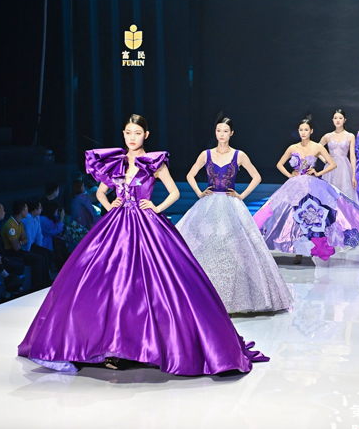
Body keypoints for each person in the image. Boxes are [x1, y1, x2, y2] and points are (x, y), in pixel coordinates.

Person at [18, 114, 268, 375]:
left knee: (146, 285)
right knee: (109, 284)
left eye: (137, 133)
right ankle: (107, 344)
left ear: (146, 135)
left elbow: (174, 192)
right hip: (116, 226)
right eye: (128, 132)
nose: (132, 137)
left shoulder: (153, 162)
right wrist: (109, 205)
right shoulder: (115, 163)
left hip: (146, 226)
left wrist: (156, 208)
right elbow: (101, 192)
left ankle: (139, 346)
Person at [176, 117, 293, 314]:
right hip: (209, 203)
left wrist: (242, 196)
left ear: (231, 133)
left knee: (234, 245)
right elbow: (190, 175)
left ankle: (235, 298)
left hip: (231, 204)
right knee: (205, 243)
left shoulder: (239, 155)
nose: (221, 134)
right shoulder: (206, 154)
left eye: (225, 131)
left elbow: (256, 177)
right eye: (218, 130)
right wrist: (198, 192)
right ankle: (205, 295)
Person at [254, 116, 359, 264]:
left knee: (313, 216)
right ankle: (298, 251)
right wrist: (289, 175)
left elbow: (332, 164)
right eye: (301, 130)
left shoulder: (317, 147)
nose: (303, 132)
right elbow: (279, 164)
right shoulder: (293, 147)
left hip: (312, 185)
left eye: (306, 130)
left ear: (311, 131)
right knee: (293, 215)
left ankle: (314, 248)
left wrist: (318, 173)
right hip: (295, 185)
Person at [2, 201, 47, 291]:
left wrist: (20, 242)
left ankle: (43, 284)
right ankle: (36, 287)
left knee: (43, 256)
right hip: (10, 252)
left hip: (18, 250)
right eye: (26, 210)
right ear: (22, 211)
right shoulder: (11, 225)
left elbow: (25, 239)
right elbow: (16, 247)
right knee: (37, 258)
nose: (28, 212)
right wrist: (20, 243)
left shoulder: (19, 223)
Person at [318, 109, 359, 203]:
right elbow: (317, 150)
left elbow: (352, 157)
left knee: (344, 191)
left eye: (340, 118)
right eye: (335, 118)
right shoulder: (328, 136)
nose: (338, 120)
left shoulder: (350, 136)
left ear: (344, 120)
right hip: (330, 168)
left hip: (344, 168)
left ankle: (344, 212)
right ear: (332, 120)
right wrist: (325, 160)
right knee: (329, 192)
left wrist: (354, 176)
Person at [22, 199, 54, 279]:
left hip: (33, 245)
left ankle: (46, 278)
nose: (41, 209)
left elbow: (39, 235)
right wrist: (28, 252)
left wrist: (40, 248)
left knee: (49, 254)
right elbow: (28, 236)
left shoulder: (37, 218)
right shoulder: (27, 219)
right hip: (26, 246)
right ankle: (39, 282)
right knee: (41, 257)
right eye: (39, 208)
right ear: (34, 210)